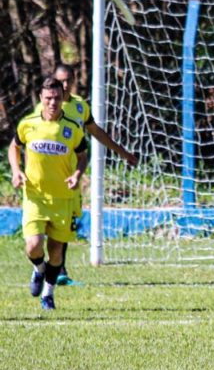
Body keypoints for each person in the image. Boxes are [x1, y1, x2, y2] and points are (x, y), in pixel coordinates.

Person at [47, 63, 139, 285]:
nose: (65, 85)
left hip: (72, 176)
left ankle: (59, 272)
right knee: (46, 226)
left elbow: (96, 132)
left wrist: (124, 153)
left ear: (75, 80)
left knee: (66, 224)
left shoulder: (80, 107)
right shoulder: (47, 108)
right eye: (61, 81)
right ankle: (45, 268)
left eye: (69, 80)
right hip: (49, 175)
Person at [8, 78, 88, 310]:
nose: (53, 102)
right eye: (48, 98)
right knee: (33, 245)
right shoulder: (28, 124)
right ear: (41, 99)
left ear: (63, 97)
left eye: (57, 98)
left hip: (63, 198)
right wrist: (16, 171)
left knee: (55, 251)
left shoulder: (72, 127)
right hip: (35, 196)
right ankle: (38, 269)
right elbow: (15, 146)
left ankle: (48, 295)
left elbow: (83, 155)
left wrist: (77, 174)